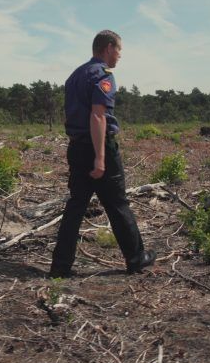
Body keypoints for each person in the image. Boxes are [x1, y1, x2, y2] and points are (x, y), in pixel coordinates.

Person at [50, 30, 155, 278]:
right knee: (117, 204)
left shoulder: (75, 76)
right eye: (118, 50)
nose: (119, 56)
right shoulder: (103, 75)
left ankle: (60, 266)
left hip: (76, 146)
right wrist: (100, 157)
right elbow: (97, 116)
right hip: (98, 146)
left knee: (75, 206)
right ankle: (137, 259)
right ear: (108, 48)